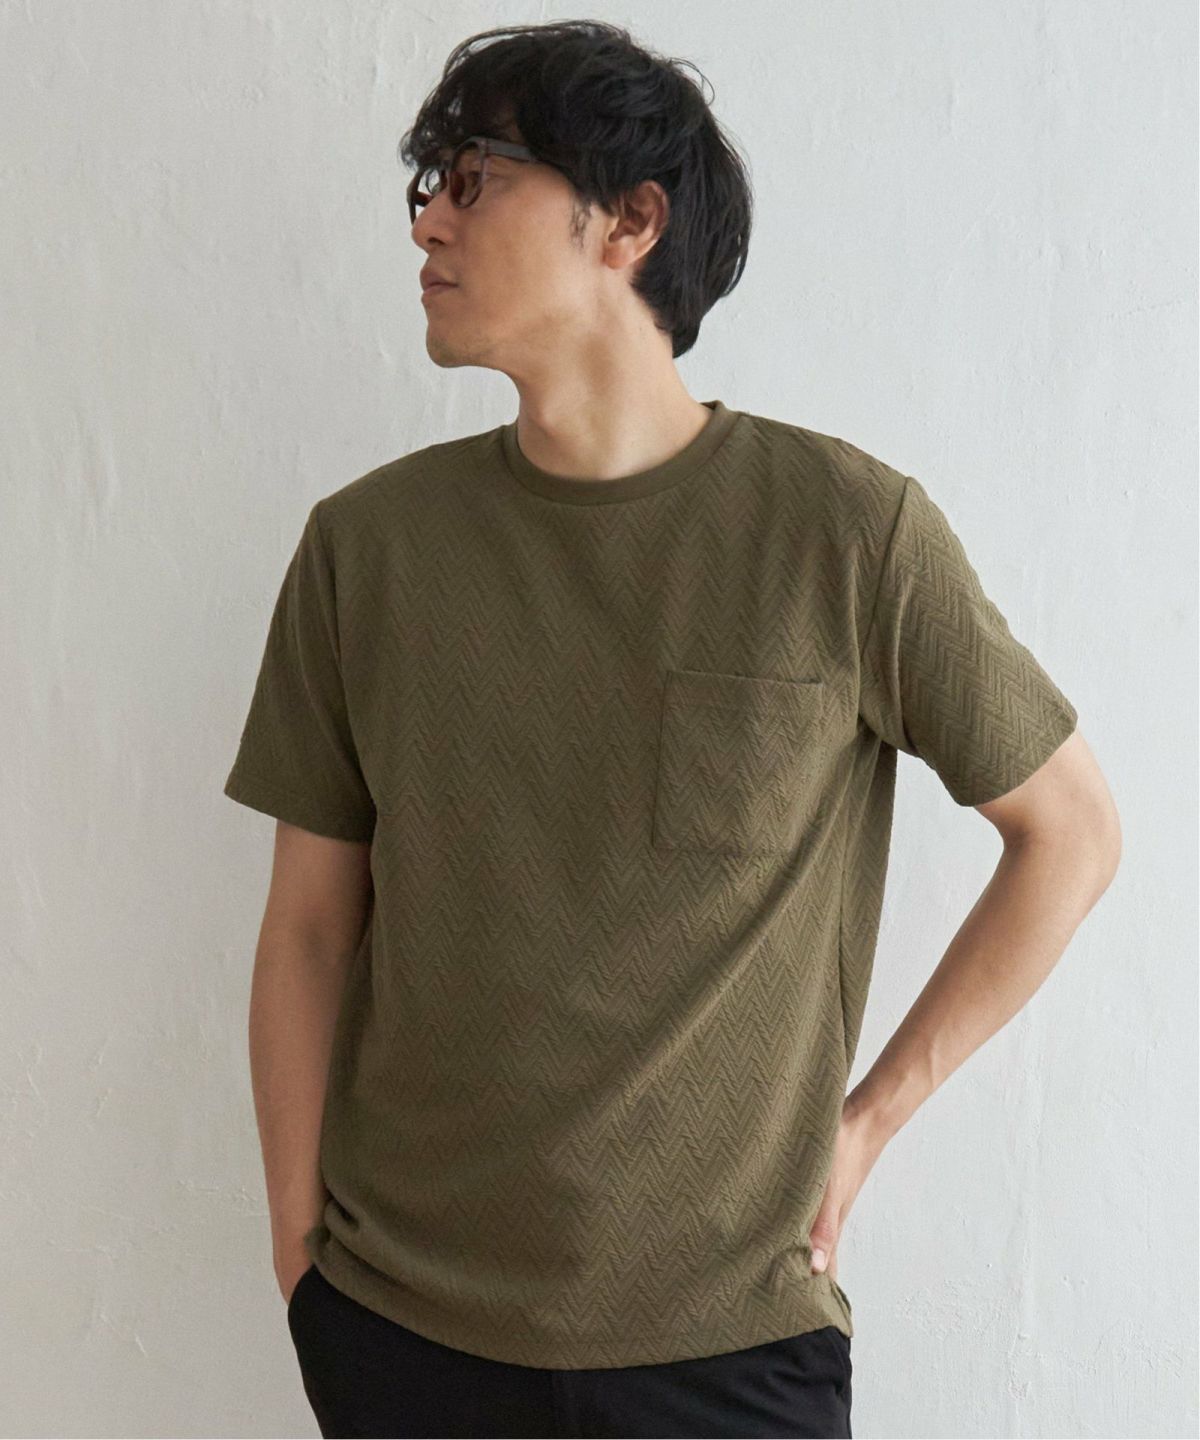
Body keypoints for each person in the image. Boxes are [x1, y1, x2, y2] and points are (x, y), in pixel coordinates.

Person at [223, 20, 1121, 1440]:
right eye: (428, 188)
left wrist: (868, 1123)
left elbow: (1071, 833)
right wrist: (301, 1265)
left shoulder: (844, 533)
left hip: (732, 1343)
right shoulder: (367, 549)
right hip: (403, 1331)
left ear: (630, 221)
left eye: (475, 176)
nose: (430, 223)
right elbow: (309, 930)